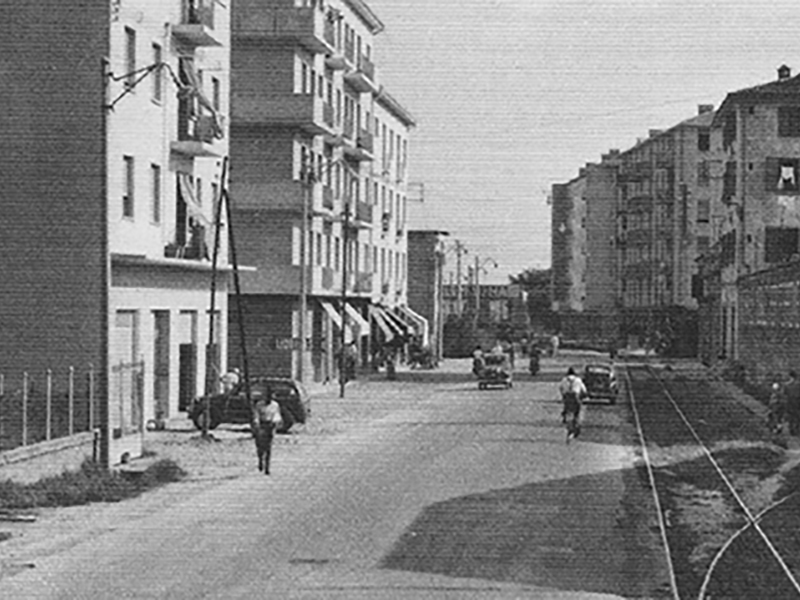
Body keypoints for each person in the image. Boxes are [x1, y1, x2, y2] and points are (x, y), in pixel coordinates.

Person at [252, 392, 283, 475]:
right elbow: (256, 415)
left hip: (270, 425)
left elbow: (277, 415)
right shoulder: (259, 405)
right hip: (261, 425)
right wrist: (256, 423)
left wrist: (275, 422)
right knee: (260, 446)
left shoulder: (275, 405)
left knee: (268, 447)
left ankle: (267, 467)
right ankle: (260, 460)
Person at [559, 366, 587, 441]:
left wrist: (563, 395)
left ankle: (565, 418)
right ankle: (576, 424)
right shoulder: (578, 380)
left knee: (566, 409)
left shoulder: (564, 380)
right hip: (575, 398)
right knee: (577, 412)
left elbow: (561, 388)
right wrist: (583, 396)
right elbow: (584, 390)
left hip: (567, 399)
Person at [784, 370, 800, 436]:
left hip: (790, 403)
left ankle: (793, 430)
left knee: (792, 417)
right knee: (796, 418)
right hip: (797, 403)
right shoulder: (798, 385)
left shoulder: (786, 385)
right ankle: (796, 430)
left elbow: (784, 395)